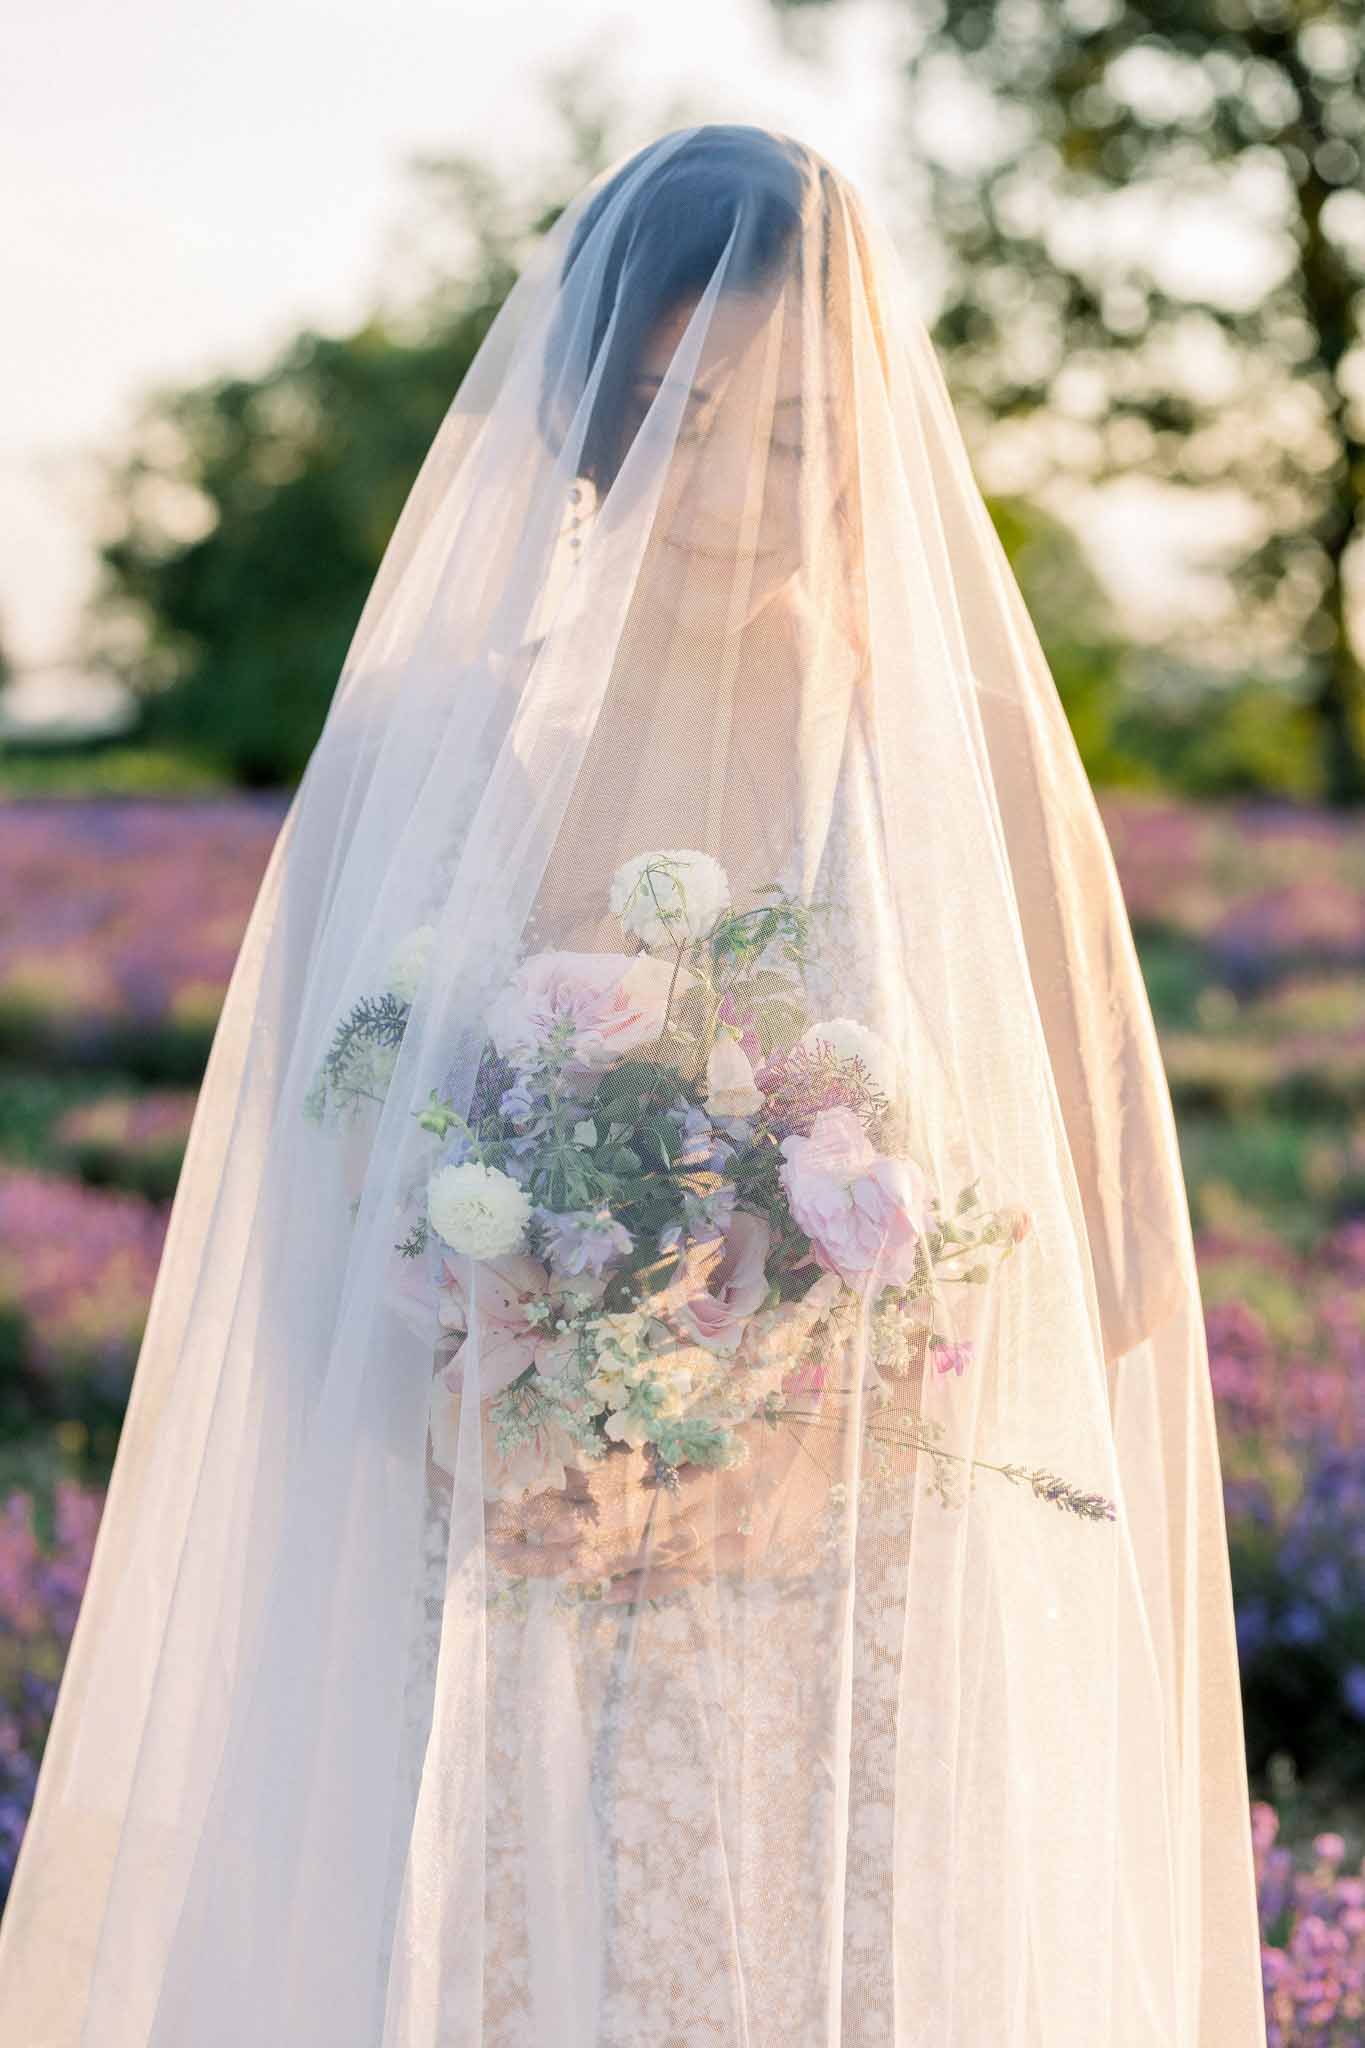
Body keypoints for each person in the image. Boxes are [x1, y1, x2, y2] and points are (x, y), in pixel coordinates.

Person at [0, 123, 1266, 2047]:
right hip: (498, 1592)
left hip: (847, 1628)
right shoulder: (449, 749)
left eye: (787, 432)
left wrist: (778, 1448)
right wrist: (502, 1426)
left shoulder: (966, 768)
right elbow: (305, 1204)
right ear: (587, 413)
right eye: (679, 412)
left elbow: (1113, 1241)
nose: (736, 489)